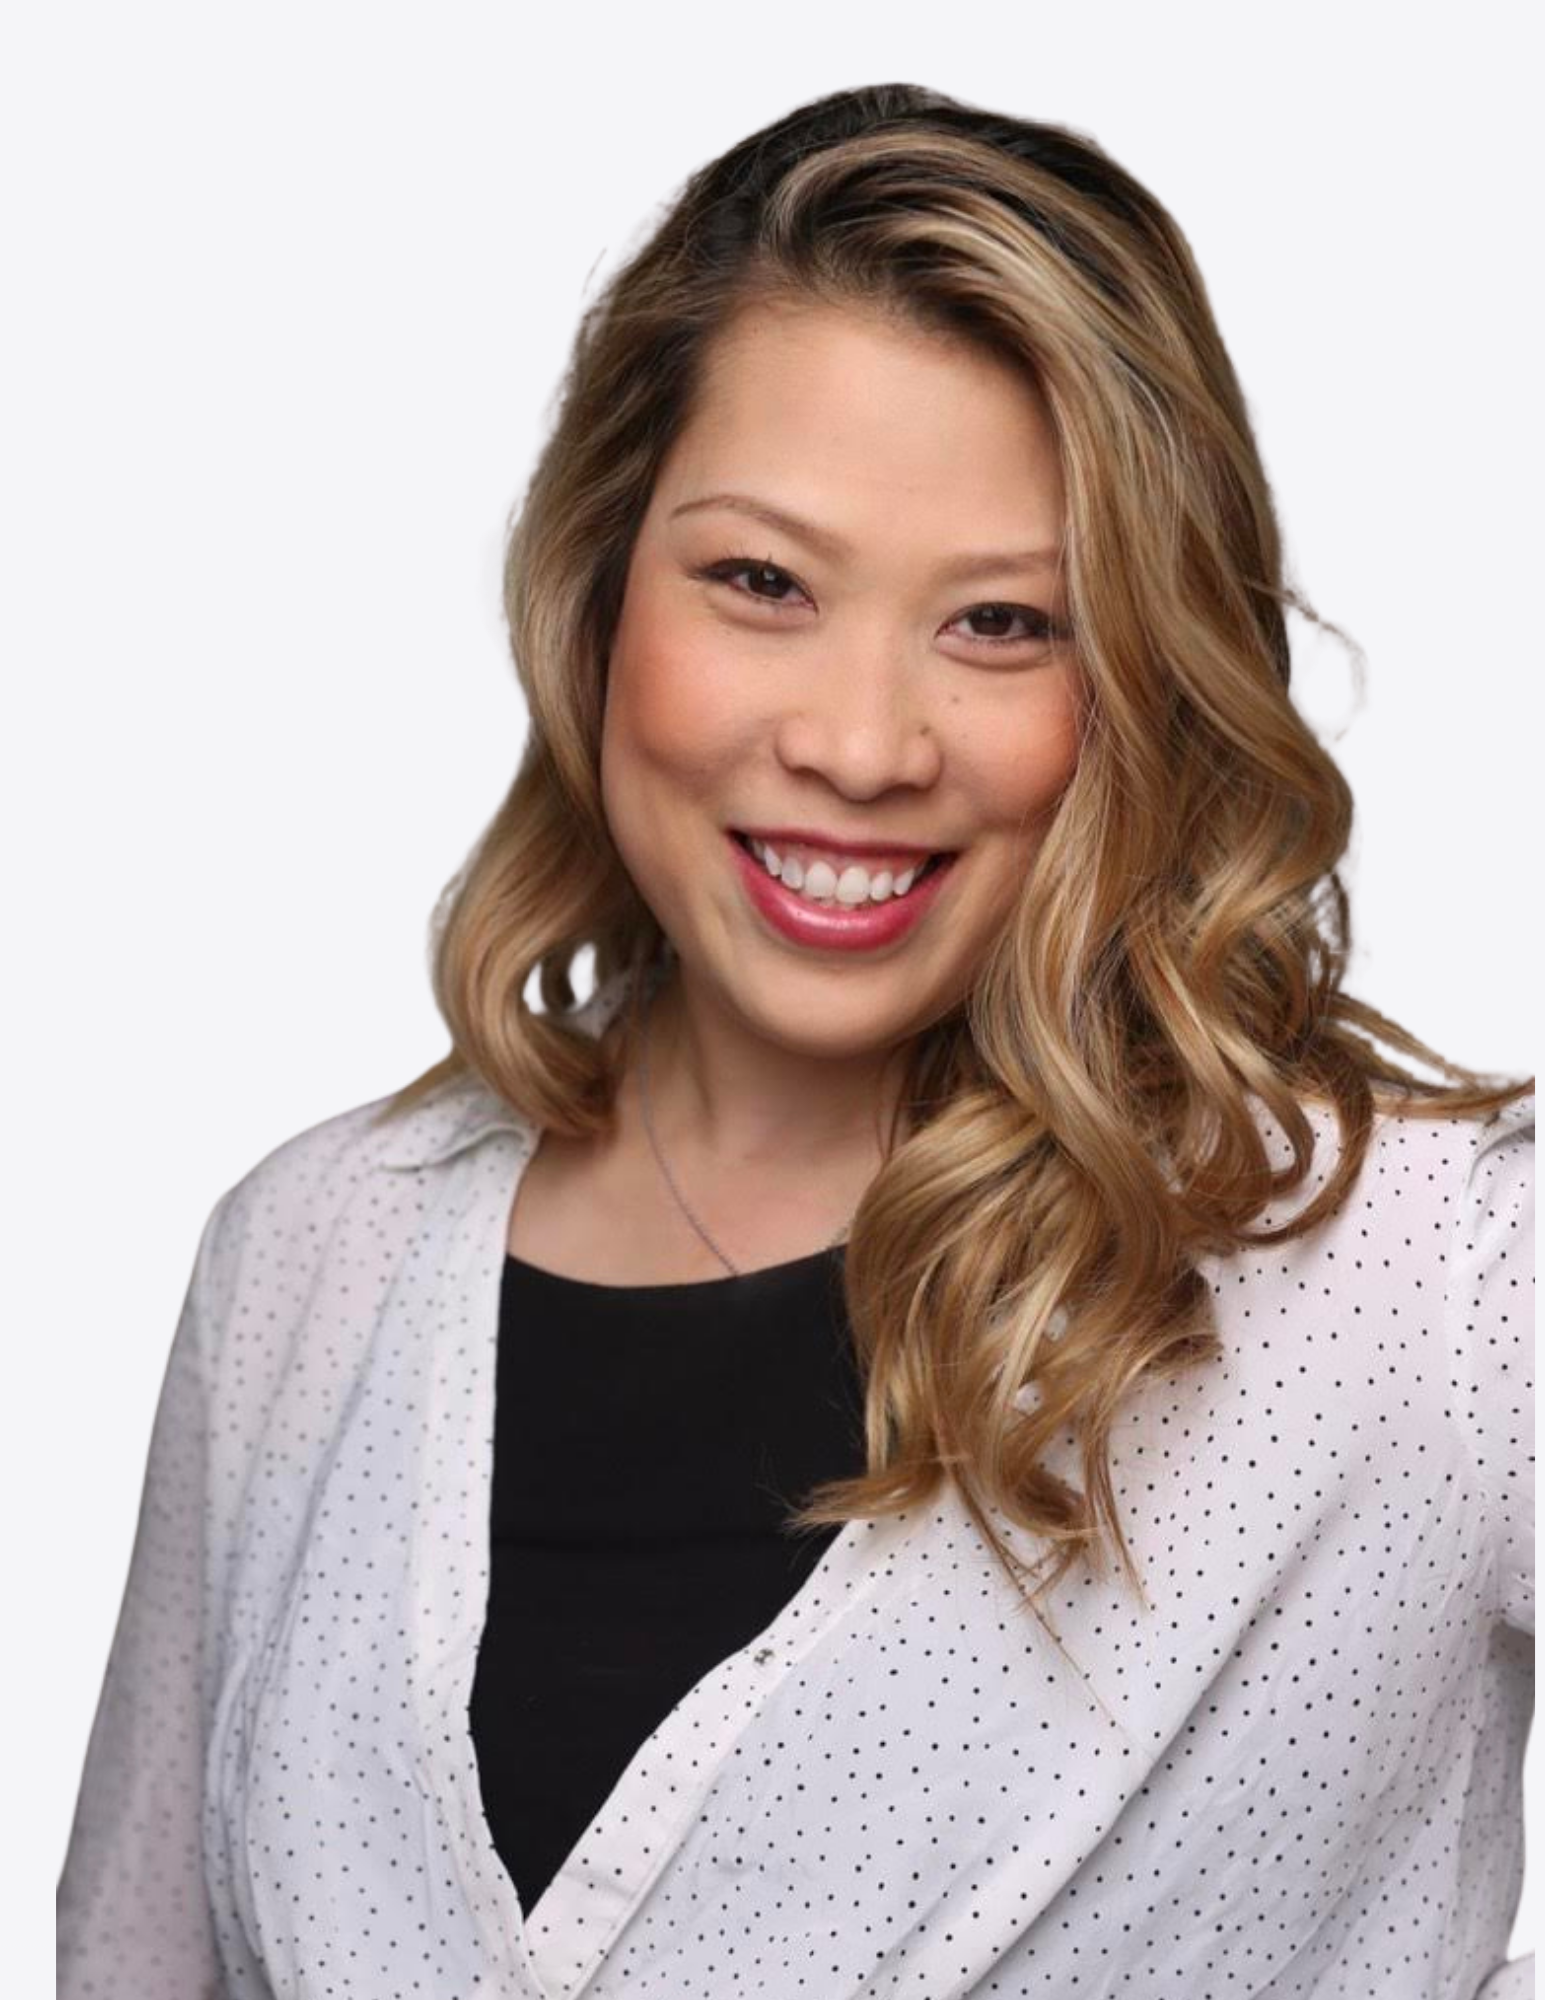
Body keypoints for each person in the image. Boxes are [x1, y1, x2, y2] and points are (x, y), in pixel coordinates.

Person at [57, 82, 1533, 2000]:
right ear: (595, 593)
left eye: (1004, 622)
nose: (859, 741)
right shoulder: (306, 1259)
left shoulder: (1428, 1280)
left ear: (1155, 670)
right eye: (760, 582)